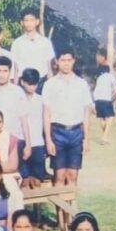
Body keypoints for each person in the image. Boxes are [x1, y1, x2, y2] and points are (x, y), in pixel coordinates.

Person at [43, 47, 93, 189]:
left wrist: (86, 139)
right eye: (63, 60)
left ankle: (72, 205)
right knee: (59, 176)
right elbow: (46, 113)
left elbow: (86, 113)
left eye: (69, 60)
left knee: (72, 176)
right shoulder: (50, 84)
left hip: (76, 133)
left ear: (73, 61)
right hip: (57, 132)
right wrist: (48, 139)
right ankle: (59, 205)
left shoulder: (81, 84)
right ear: (57, 62)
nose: (66, 63)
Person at [0, 57, 30, 162]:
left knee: (15, 170)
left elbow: (24, 119)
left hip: (15, 139)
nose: (2, 74)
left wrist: (28, 144)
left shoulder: (18, 91)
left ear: (10, 72)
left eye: (5, 71)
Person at [17, 69, 49, 186]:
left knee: (37, 179)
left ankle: (38, 200)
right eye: (29, 84)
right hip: (21, 142)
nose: (32, 87)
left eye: (35, 84)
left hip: (38, 143)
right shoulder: (17, 99)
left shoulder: (41, 100)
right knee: (23, 179)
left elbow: (45, 122)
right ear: (22, 82)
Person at [10, 8, 55, 76]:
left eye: (32, 20)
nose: (29, 23)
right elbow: (15, 66)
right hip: (24, 79)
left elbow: (49, 66)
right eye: (26, 20)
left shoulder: (46, 42)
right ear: (22, 22)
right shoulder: (17, 43)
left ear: (37, 21)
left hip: (42, 79)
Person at [92, 49, 116, 145]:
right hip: (105, 98)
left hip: (97, 98)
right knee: (110, 117)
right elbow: (115, 88)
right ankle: (104, 137)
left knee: (101, 118)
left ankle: (105, 136)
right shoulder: (110, 76)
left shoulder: (99, 78)